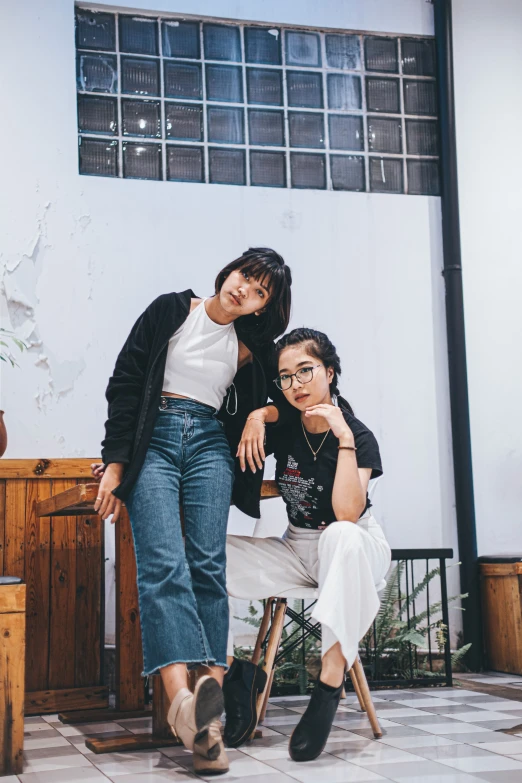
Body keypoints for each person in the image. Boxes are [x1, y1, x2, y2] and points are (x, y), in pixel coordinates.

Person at [93, 248, 292, 775]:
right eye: (244, 276)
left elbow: (294, 397)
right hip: (153, 439)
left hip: (209, 444)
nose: (244, 290)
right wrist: (115, 465)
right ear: (229, 270)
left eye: (259, 292)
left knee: (207, 566)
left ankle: (209, 714)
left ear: (260, 308)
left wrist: (257, 414)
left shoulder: (252, 347)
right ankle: (187, 709)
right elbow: (126, 382)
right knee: (164, 568)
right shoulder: (170, 311)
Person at [223, 328, 391, 761]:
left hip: (356, 548)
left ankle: (329, 682)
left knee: (340, 534)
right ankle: (235, 676)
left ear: (329, 372)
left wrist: (344, 437)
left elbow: (348, 514)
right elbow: (266, 413)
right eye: (285, 376)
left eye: (305, 372)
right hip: (298, 548)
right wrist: (257, 418)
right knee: (206, 554)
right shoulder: (285, 421)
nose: (295, 384)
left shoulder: (359, 435)